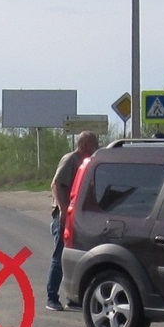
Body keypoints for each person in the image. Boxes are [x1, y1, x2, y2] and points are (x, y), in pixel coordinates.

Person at [47, 131, 99, 311]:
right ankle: (52, 298)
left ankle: (73, 298)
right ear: (84, 144)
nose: (97, 147)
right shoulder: (71, 159)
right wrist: (63, 210)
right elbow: (56, 184)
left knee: (76, 257)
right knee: (60, 255)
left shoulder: (88, 163)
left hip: (79, 217)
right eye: (94, 143)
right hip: (64, 216)